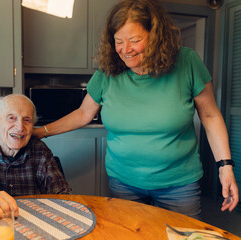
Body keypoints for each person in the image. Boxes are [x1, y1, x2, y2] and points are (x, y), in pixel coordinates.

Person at [33, 0, 239, 219]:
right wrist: (40, 132)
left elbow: (210, 115)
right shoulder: (108, 72)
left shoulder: (187, 62)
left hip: (179, 185)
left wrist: (225, 166)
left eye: (135, 40)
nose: (125, 50)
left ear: (156, 36)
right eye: (118, 41)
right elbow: (83, 114)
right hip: (123, 184)